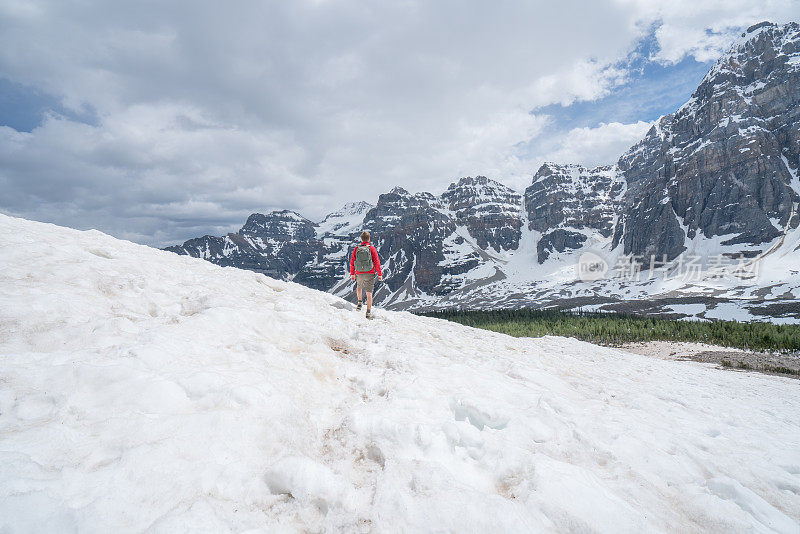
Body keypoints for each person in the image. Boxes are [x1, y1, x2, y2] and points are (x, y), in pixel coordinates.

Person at [349, 230, 382, 319]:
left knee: (359, 287)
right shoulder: (372, 248)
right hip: (370, 272)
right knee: (369, 293)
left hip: (359, 272)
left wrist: (352, 273)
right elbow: (376, 262)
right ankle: (368, 313)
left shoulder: (357, 248)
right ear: (369, 238)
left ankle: (359, 303)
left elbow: (352, 261)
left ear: (361, 239)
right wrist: (379, 274)